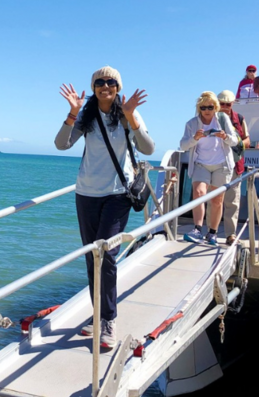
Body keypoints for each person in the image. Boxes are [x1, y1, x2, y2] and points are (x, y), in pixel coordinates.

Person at [55, 66, 154, 351]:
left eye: (111, 82)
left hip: (117, 194)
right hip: (86, 194)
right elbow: (61, 144)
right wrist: (73, 111)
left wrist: (132, 117)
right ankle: (98, 315)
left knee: (105, 255)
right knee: (92, 258)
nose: (105, 86)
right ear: (94, 87)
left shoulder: (127, 112)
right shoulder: (86, 114)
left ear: (118, 86)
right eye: (100, 82)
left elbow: (148, 148)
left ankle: (109, 320)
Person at [179, 91, 240, 246]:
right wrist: (195, 138)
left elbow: (234, 141)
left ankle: (212, 232)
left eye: (210, 107)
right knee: (198, 193)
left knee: (217, 199)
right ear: (199, 108)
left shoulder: (223, 119)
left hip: (222, 165)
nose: (207, 110)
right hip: (201, 164)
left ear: (216, 107)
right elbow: (183, 145)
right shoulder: (191, 124)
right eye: (203, 107)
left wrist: (225, 136)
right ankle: (197, 229)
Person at [217, 90, 249, 245]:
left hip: (235, 166)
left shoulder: (240, 119)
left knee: (233, 202)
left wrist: (238, 144)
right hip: (215, 165)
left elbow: (247, 139)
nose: (224, 107)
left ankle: (230, 235)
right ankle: (212, 232)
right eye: (221, 104)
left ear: (232, 104)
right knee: (214, 201)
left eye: (227, 104)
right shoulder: (210, 118)